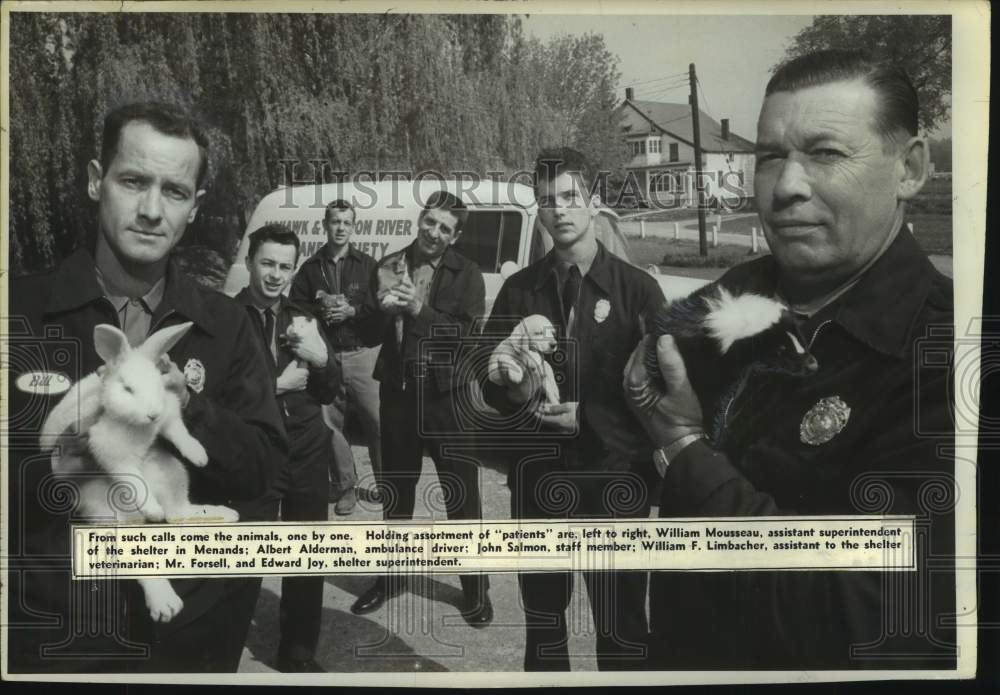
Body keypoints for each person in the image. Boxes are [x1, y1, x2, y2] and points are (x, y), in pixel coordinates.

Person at [624, 49, 955, 670]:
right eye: (770, 156)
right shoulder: (734, 296)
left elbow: (871, 611)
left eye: (826, 153)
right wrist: (526, 384)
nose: (786, 187)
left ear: (910, 169)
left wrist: (682, 447)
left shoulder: (950, 356)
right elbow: (619, 439)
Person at [7, 102, 287, 673]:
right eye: (134, 181)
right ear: (95, 181)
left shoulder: (225, 325)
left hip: (189, 638)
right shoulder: (20, 312)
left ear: (195, 208)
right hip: (58, 635)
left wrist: (193, 410)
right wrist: (61, 455)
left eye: (175, 191)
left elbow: (265, 470)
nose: (152, 210)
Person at [482, 148, 665, 671]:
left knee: (623, 624)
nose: (559, 210)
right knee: (543, 624)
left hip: (614, 480)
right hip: (538, 482)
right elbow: (488, 386)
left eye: (569, 197)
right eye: (546, 201)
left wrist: (590, 417)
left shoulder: (637, 291)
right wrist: (511, 392)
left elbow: (667, 398)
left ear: (594, 201)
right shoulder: (519, 289)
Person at [349, 190, 492, 627]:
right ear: (420, 220)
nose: (433, 232)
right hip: (398, 392)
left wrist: (418, 309)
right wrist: (375, 310)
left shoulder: (468, 274)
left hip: (448, 396)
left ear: (455, 235)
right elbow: (369, 330)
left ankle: (475, 591)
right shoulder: (390, 264)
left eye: (444, 228)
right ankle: (392, 579)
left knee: (462, 498)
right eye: (430, 222)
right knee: (396, 493)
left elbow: (467, 338)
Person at [235, 224, 339, 672]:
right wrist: (276, 387)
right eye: (267, 263)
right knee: (244, 551)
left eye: (285, 266)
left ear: (295, 270)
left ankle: (297, 652)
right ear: (249, 262)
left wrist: (321, 359)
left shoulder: (303, 317)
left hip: (306, 447)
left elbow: (330, 388)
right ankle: (225, 640)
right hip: (255, 450)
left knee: (305, 551)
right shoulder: (225, 317)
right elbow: (215, 399)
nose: (276, 275)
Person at [290, 199, 381, 515]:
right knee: (330, 426)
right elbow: (295, 309)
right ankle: (345, 487)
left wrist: (353, 310)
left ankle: (386, 482)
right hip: (326, 358)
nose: (340, 227)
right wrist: (321, 311)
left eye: (346, 222)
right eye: (335, 221)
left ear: (353, 226)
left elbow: (381, 308)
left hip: (364, 354)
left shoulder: (368, 265)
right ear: (324, 225)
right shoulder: (310, 269)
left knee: (377, 422)